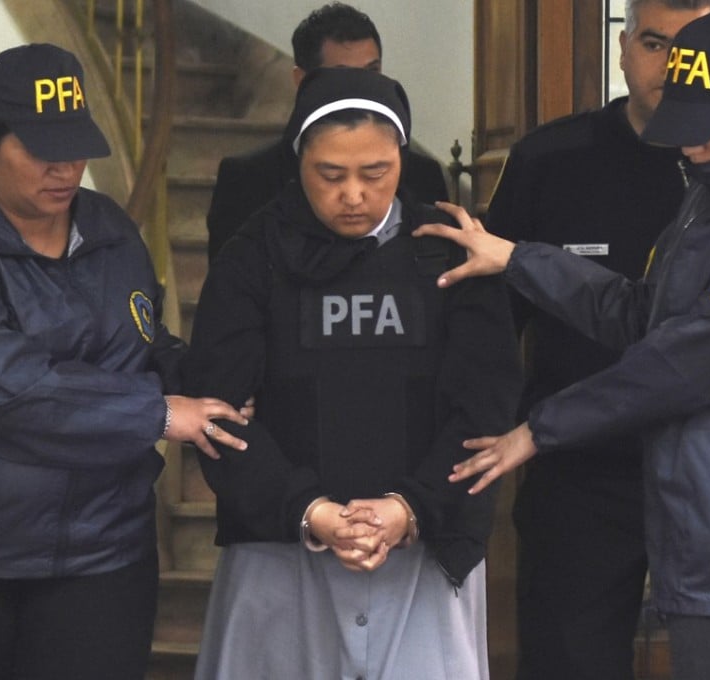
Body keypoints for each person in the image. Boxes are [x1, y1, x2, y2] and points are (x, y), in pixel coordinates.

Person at [418, 11, 710, 680]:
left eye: (705, 123)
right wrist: (518, 257)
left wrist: (540, 429)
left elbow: (687, 363)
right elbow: (644, 314)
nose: (686, 144)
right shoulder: (708, 197)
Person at [0, 44, 249, 680]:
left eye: (76, 147)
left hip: (102, 552)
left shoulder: (110, 231)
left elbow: (145, 343)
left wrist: (206, 389)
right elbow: (5, 390)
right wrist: (154, 414)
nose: (66, 168)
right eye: (42, 150)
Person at [181, 67, 521, 679]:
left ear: (402, 158)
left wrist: (409, 509)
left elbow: (485, 414)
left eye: (376, 173)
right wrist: (309, 510)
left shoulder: (449, 254)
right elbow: (217, 416)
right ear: (298, 161)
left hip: (421, 551)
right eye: (330, 175)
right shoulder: (251, 257)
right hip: (280, 551)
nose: (354, 195)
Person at [484, 2, 710, 677]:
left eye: (693, 48)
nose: (672, 66)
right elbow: (494, 325)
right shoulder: (551, 159)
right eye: (654, 43)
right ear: (622, 48)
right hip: (581, 472)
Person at [205, 1, 448, 263]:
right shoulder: (248, 180)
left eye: (371, 73)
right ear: (302, 81)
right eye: (330, 175)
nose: (361, 87)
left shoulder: (423, 176)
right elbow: (228, 286)